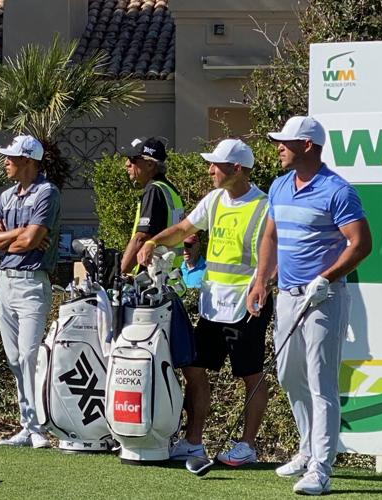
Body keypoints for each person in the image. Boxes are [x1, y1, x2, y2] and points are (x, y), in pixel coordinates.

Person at [247, 116, 371, 495]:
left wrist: (326, 278)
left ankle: (321, 468)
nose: (278, 148)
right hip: (287, 295)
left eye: (285, 142)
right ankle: (306, 449)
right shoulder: (280, 186)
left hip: (324, 298)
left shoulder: (338, 191)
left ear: (307, 145)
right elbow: (270, 236)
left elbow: (361, 244)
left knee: (321, 382)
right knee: (288, 375)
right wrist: (261, 279)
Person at [138, 138, 274, 467]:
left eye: (216, 165)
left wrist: (262, 284)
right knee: (193, 368)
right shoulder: (214, 200)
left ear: (237, 168)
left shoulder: (265, 206)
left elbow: (275, 254)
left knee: (251, 376)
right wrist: (153, 242)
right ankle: (193, 442)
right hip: (213, 305)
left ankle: (247, 446)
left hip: (247, 306)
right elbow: (183, 228)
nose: (210, 170)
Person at [0, 134, 60, 449]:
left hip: (32, 282)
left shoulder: (47, 192)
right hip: (6, 281)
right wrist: (18, 233)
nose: (5, 162)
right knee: (15, 358)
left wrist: (11, 240)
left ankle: (38, 427)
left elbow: (31, 242)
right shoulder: (6, 196)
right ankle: (28, 426)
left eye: (11, 158)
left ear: (27, 161)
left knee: (29, 354)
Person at [119, 136, 184, 274]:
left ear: (150, 164)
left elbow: (142, 237)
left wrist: (121, 272)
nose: (127, 164)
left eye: (133, 159)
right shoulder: (169, 189)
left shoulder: (154, 190)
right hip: (170, 274)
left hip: (154, 275)